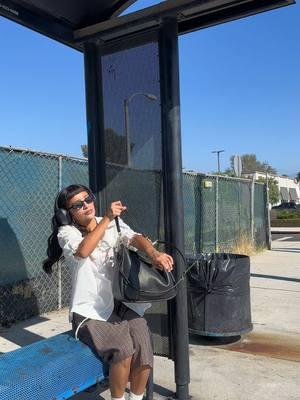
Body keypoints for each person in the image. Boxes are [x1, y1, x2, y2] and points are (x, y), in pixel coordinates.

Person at [43, 184, 174, 400]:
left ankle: (137, 397)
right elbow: (83, 251)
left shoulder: (113, 225)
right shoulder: (67, 233)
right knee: (123, 349)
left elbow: (134, 237)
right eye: (78, 205)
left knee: (143, 341)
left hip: (119, 304)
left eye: (88, 199)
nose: (86, 206)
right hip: (90, 312)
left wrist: (153, 253)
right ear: (69, 213)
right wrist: (106, 219)